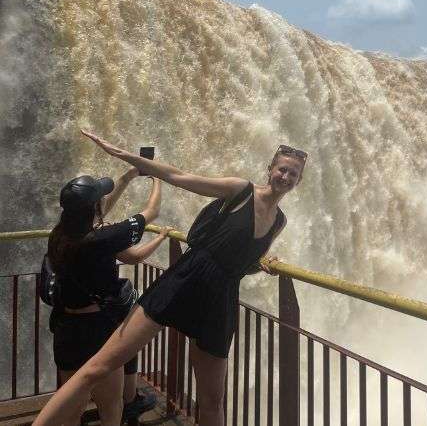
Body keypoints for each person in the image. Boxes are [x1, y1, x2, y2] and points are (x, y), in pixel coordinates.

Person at [33, 130, 306, 426]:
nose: (286, 177)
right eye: (282, 169)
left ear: (298, 180)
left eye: (293, 174)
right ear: (270, 169)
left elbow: (243, 262)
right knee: (98, 367)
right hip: (186, 278)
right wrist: (122, 154)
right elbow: (179, 176)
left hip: (221, 297)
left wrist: (263, 264)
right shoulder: (240, 190)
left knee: (212, 400)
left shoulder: (279, 221)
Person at [48, 169, 172, 426]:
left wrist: (127, 177)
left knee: (72, 406)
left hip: (66, 327)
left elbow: (97, 214)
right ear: (94, 208)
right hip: (98, 330)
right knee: (111, 406)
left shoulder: (59, 235)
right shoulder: (101, 239)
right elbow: (152, 212)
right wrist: (158, 178)